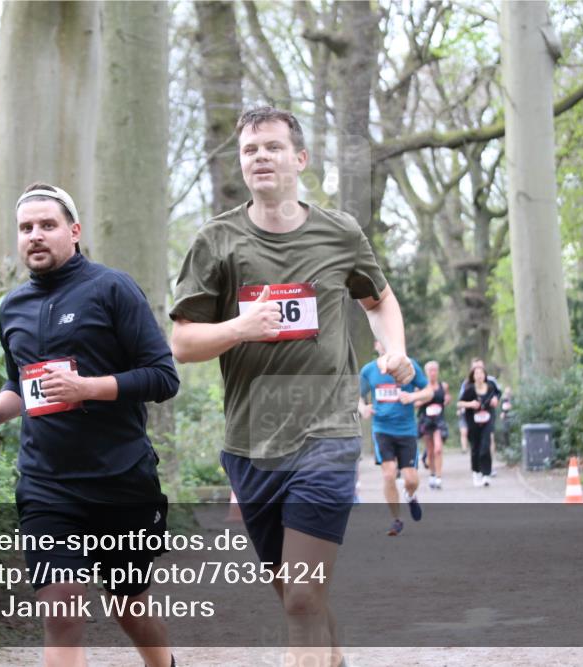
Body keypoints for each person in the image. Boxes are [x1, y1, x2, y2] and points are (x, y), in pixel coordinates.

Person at [170, 106, 415, 667]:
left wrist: (394, 347)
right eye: (251, 149)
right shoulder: (217, 241)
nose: (261, 157)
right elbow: (182, 344)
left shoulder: (340, 232)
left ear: (299, 159)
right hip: (251, 444)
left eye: (273, 147)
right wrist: (241, 326)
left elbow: (378, 300)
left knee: (302, 597)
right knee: (296, 595)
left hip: (326, 434)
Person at [0, 182, 179, 667]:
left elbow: (163, 377)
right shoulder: (13, 306)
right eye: (25, 228)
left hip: (120, 480)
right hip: (46, 485)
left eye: (47, 225)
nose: (35, 236)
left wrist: (89, 388)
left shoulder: (111, 288)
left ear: (74, 231)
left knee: (129, 607)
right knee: (61, 613)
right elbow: (18, 383)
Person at [358, 342, 432, 535]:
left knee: (411, 479)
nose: (386, 344)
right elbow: (356, 396)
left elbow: (428, 391)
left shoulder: (408, 365)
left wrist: (413, 397)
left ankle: (410, 495)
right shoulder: (369, 370)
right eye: (382, 341)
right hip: (382, 429)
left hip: (406, 430)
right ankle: (396, 519)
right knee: (389, 474)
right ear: (376, 345)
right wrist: (363, 408)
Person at [456, 365, 501, 487]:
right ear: (473, 376)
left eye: (481, 373)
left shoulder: (490, 387)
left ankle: (486, 474)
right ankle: (476, 472)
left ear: (485, 375)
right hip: (473, 421)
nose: (479, 376)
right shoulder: (469, 389)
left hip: (488, 420)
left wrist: (496, 399)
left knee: (485, 446)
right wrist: (470, 404)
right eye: (476, 374)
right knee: (475, 447)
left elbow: (497, 394)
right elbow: (459, 403)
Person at [415, 361, 451, 490]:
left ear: (438, 371)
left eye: (435, 370)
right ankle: (432, 474)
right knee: (430, 451)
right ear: (426, 372)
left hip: (439, 421)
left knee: (438, 449)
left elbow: (447, 397)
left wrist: (447, 399)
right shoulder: (421, 388)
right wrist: (420, 401)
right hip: (426, 420)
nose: (432, 372)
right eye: (430, 370)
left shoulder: (443, 386)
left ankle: (439, 478)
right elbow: (414, 403)